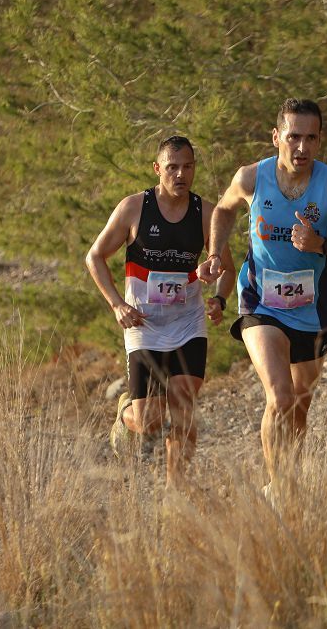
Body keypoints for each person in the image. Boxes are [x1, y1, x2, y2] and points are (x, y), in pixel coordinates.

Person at [198, 99, 327, 500]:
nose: (302, 147)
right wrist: (214, 254)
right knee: (279, 396)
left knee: (299, 405)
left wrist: (322, 244)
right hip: (261, 303)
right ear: (276, 137)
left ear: (320, 140)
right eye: (293, 137)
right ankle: (278, 491)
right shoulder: (251, 178)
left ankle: (291, 482)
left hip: (312, 309)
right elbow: (223, 210)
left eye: (311, 138)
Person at [86, 135, 235, 487]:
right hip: (144, 325)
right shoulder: (134, 208)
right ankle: (126, 413)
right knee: (150, 422)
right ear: (157, 169)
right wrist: (117, 304)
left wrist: (219, 300)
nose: (181, 174)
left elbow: (227, 268)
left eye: (188, 167)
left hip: (188, 323)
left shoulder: (206, 214)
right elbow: (95, 257)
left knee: (183, 405)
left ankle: (175, 490)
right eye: (172, 167)